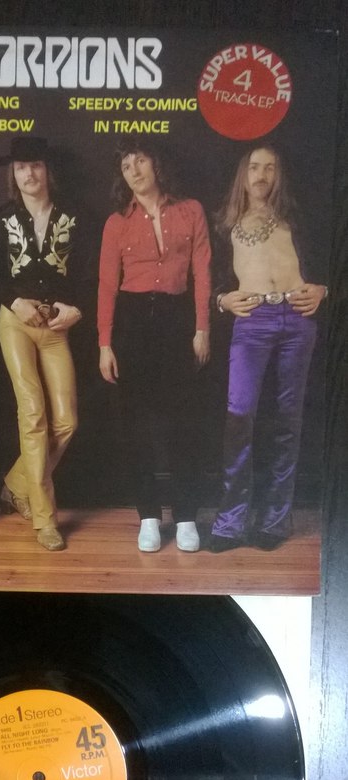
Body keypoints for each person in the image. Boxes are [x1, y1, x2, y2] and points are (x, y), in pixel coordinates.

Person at [210, 144, 327, 552]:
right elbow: (205, 276)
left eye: (270, 168)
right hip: (252, 320)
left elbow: (330, 261)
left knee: (287, 421)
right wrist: (221, 300)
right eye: (255, 168)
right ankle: (230, 522)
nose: (262, 175)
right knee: (239, 416)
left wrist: (324, 289)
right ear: (243, 175)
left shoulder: (298, 217)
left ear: (279, 175)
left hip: (297, 318)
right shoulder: (223, 224)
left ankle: (275, 521)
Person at [98, 137, 211, 553]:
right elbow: (107, 284)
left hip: (177, 318)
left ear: (156, 165)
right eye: (126, 165)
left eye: (140, 160)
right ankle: (147, 515)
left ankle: (186, 516)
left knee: (184, 422)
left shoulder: (191, 210)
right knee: (135, 425)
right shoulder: (117, 222)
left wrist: (202, 328)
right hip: (132, 321)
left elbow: (202, 270)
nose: (134, 170)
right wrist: (105, 343)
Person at [0, 136, 85, 551]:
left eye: (35, 165)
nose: (28, 173)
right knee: (32, 414)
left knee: (67, 421)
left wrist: (77, 308)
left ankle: (15, 483)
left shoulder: (73, 216)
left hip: (55, 326)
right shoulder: (5, 215)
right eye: (20, 167)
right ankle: (45, 519)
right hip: (15, 322)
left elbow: (88, 273)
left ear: (48, 170)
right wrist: (15, 302)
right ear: (13, 174)